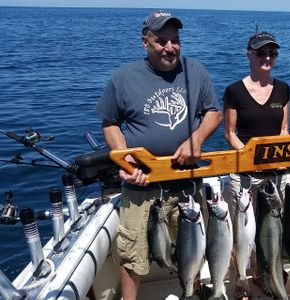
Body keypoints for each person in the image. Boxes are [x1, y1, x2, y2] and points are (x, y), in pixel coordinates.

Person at [96, 10, 222, 299]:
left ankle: (194, 292)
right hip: (142, 186)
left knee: (195, 247)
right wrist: (124, 159)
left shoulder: (196, 71)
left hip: (186, 183)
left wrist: (196, 139)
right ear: (145, 43)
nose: (170, 47)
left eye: (175, 40)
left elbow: (213, 112)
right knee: (133, 258)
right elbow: (110, 122)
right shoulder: (123, 78)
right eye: (161, 40)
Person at [223, 29, 290, 299]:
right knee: (241, 231)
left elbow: (284, 129)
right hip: (246, 174)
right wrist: (254, 160)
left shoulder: (283, 89)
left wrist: (278, 159)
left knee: (270, 228)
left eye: (272, 52)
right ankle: (239, 280)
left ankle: (264, 275)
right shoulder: (234, 91)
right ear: (249, 54)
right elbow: (229, 133)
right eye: (262, 52)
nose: (267, 57)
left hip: (276, 173)